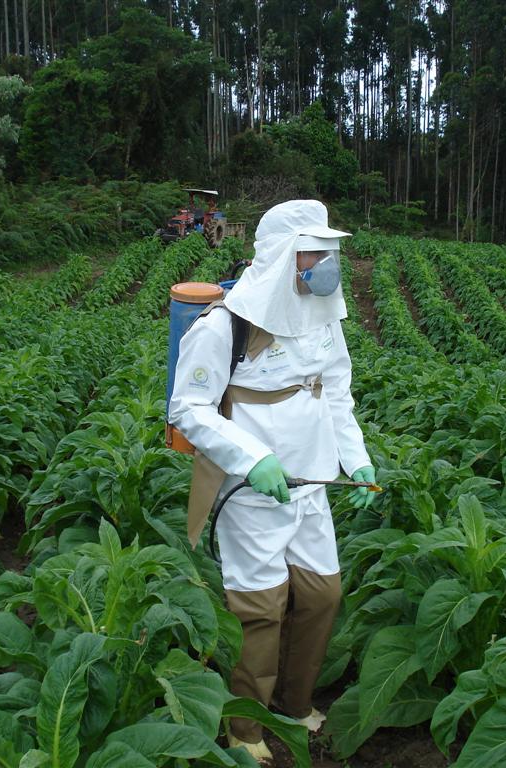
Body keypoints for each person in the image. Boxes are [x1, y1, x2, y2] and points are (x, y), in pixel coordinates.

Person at [168, 199, 376, 762]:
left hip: (314, 484)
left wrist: (354, 459)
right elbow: (188, 408)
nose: (325, 263)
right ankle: (246, 729)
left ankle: (294, 702)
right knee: (259, 609)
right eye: (313, 252)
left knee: (322, 594)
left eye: (329, 251)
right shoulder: (227, 325)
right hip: (254, 491)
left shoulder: (324, 316)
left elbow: (336, 392)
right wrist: (252, 458)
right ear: (284, 255)